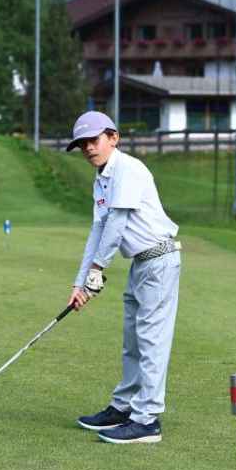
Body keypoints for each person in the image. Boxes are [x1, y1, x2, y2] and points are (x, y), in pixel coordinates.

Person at [66, 111, 182, 444]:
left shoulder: (128, 169)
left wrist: (98, 270)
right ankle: (124, 407)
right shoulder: (101, 179)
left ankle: (147, 421)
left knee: (151, 341)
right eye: (82, 144)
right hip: (140, 264)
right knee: (133, 341)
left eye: (94, 140)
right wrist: (80, 282)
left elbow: (117, 226)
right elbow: (98, 230)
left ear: (113, 138)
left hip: (158, 261)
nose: (88, 148)